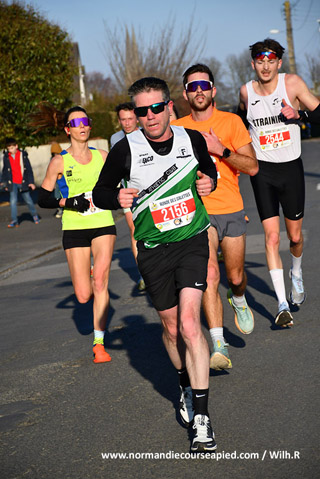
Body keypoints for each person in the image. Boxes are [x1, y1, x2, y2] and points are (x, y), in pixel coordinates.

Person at [93, 77, 218, 452]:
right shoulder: (125, 150)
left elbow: (208, 170)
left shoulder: (189, 139)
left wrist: (208, 182)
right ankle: (183, 381)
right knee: (170, 326)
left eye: (156, 108)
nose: (149, 117)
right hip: (152, 248)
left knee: (190, 322)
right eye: (141, 110)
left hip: (192, 240)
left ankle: (202, 417)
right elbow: (101, 192)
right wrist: (116, 195)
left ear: (169, 107)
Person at [172, 64, 258, 371]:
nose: (198, 91)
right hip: (198, 213)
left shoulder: (231, 121)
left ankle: (238, 297)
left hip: (231, 208)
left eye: (203, 86)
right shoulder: (178, 128)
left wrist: (219, 148)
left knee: (234, 276)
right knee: (209, 274)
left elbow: (252, 166)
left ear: (213, 90)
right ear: (185, 93)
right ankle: (219, 344)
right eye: (192, 87)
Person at [238, 38, 320, 327]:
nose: (265, 66)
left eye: (270, 61)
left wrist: (299, 115)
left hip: (291, 170)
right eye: (260, 61)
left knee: (294, 237)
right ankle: (282, 304)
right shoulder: (246, 92)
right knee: (272, 238)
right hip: (263, 174)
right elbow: (239, 128)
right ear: (253, 64)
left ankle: (295, 272)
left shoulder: (293, 83)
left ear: (278, 63)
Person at [37, 106, 116, 363]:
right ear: (67, 129)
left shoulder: (103, 156)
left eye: (86, 121)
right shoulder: (59, 161)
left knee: (101, 281)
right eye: (76, 122)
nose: (82, 126)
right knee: (83, 295)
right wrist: (67, 203)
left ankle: (99, 343)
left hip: (102, 222)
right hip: (74, 227)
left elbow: (117, 186)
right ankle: (92, 278)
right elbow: (44, 198)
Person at [110, 102, 145, 290]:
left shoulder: (146, 134)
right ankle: (144, 274)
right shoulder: (115, 139)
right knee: (135, 231)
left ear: (137, 118)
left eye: (130, 119)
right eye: (123, 119)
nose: (127, 123)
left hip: (149, 190)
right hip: (128, 192)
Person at [2, 138, 40, 228]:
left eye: (12, 148)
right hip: (13, 182)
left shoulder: (23, 155)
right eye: (8, 149)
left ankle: (34, 215)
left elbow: (29, 170)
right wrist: (5, 183)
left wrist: (31, 182)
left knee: (28, 200)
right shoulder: (7, 157)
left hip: (23, 182)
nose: (10, 150)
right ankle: (14, 220)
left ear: (16, 146)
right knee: (13, 201)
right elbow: (5, 171)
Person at [50, 141, 63, 219]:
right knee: (57, 196)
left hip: (63, 180)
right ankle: (60, 209)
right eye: (54, 154)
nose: (55, 155)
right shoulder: (51, 160)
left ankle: (63, 210)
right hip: (56, 181)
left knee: (64, 195)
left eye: (57, 153)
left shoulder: (63, 158)